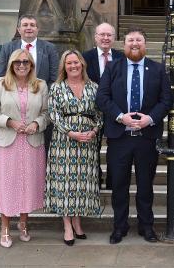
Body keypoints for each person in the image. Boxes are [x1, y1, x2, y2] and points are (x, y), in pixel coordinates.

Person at [96, 27, 172, 244]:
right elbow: (102, 98)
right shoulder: (112, 68)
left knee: (145, 186)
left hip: (146, 138)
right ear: (124, 44)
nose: (135, 43)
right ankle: (119, 227)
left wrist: (150, 118)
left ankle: (146, 226)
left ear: (145, 44)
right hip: (120, 137)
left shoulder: (158, 69)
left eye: (139, 40)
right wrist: (121, 117)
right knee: (119, 185)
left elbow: (166, 101)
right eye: (130, 40)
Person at [0, 49, 49, 248]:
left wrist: (37, 124)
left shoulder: (41, 85)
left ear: (31, 65)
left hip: (32, 143)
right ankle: (4, 228)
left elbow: (47, 113)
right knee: (7, 186)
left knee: (27, 185)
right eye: (17, 62)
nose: (22, 65)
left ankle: (23, 223)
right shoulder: (0, 83)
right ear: (11, 64)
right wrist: (10, 122)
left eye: (26, 62)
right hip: (6, 144)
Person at [44, 50, 103, 246]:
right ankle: (67, 224)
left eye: (76, 62)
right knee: (65, 182)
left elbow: (100, 114)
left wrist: (94, 131)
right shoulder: (56, 88)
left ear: (82, 64)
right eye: (69, 63)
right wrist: (71, 133)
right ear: (64, 67)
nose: (73, 66)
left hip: (87, 141)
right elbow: (54, 115)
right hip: (64, 142)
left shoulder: (94, 87)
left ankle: (78, 220)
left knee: (82, 182)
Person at [83, 22, 124, 189]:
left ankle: (113, 181)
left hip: (116, 111)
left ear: (114, 38)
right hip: (92, 111)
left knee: (115, 150)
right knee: (93, 148)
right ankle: (95, 179)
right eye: (102, 35)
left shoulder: (122, 57)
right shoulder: (85, 57)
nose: (106, 38)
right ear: (95, 37)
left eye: (109, 35)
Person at [0, 14, 59, 89]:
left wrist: (44, 93)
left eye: (32, 25)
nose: (29, 28)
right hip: (14, 94)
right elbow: (0, 75)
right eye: (25, 25)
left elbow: (54, 77)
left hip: (40, 95)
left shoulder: (50, 48)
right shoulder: (7, 48)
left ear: (37, 29)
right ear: (19, 30)